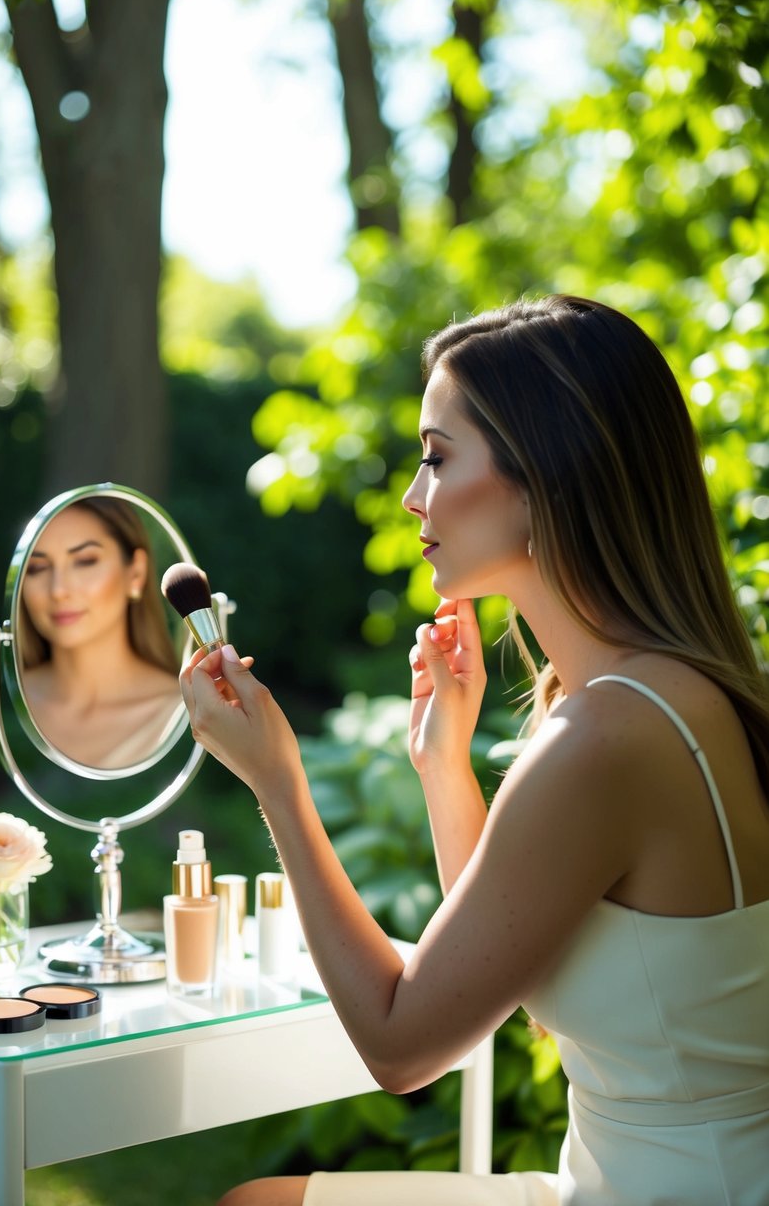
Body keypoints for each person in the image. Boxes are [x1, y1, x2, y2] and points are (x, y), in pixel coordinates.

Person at [180, 295, 769, 1206]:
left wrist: (277, 783)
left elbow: (400, 1045)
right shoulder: (645, 699)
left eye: (436, 457)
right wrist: (441, 765)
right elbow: (510, 976)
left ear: (547, 474)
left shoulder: (608, 736)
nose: (414, 494)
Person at [21, 496, 183, 770]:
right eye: (37, 567)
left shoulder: (187, 713)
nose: (58, 590)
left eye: (85, 561)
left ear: (136, 573)